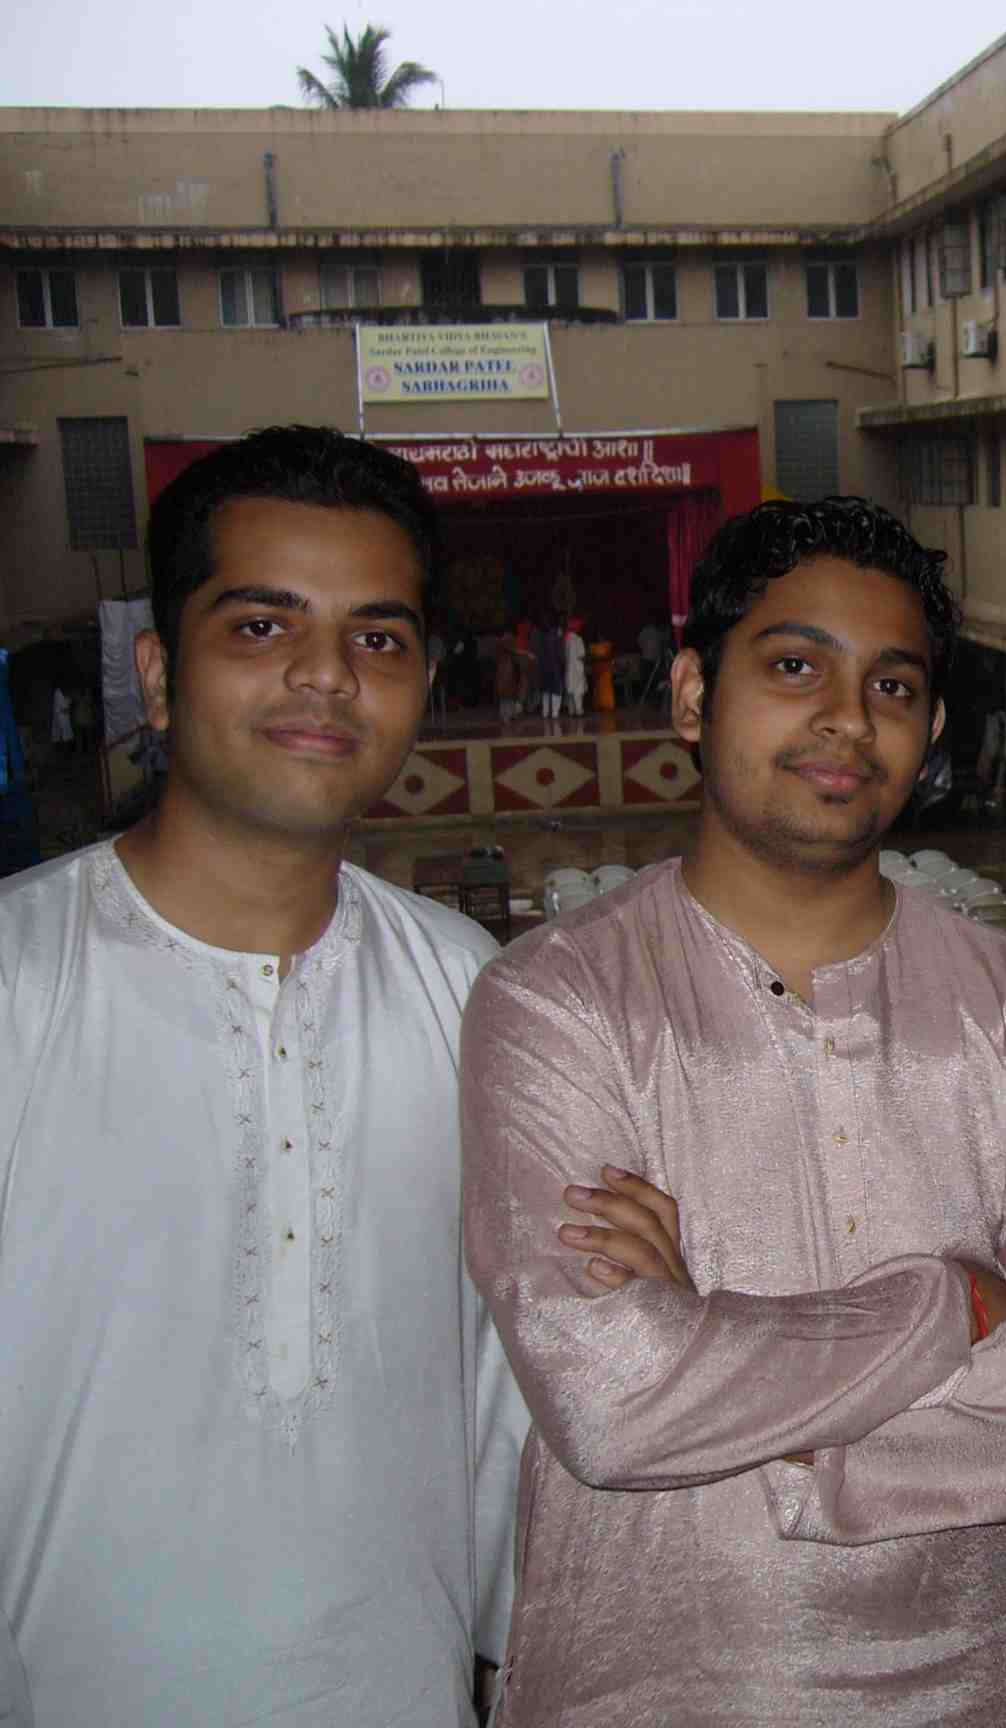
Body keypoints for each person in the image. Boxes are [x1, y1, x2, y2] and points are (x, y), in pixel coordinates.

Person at [460, 495, 1006, 1724]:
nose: (848, 718)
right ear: (692, 695)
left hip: (981, 1678)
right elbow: (612, 1398)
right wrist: (946, 1303)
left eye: (893, 688)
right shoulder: (556, 1002)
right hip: (650, 1684)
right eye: (796, 666)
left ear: (933, 728)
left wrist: (731, 1374)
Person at [0, 425, 526, 1725]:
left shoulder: (475, 997)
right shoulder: (18, 983)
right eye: (258, 627)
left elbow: (516, 1411)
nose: (326, 677)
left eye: (380, 639)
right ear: (157, 674)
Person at [561, 613, 587, 719]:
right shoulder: (578, 639)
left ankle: (571, 711)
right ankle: (579, 711)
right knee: (578, 691)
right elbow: (581, 655)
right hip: (577, 669)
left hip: (568, 668)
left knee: (570, 690)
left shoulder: (566, 639)